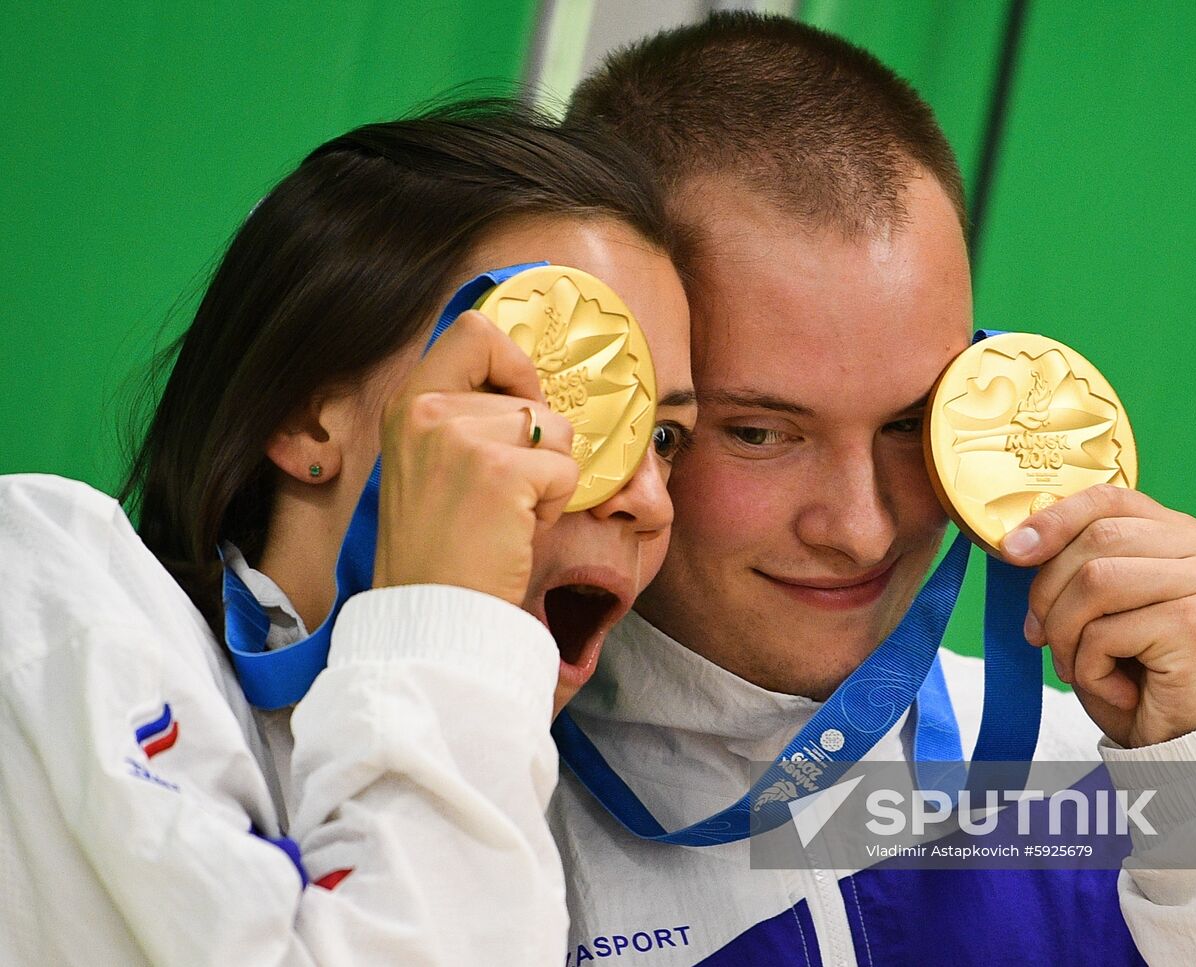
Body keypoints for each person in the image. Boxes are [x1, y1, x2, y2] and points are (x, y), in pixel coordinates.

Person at [549, 14, 1196, 965]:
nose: (864, 529)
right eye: (760, 432)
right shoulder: (464, 809)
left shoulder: (1120, 773)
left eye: (913, 423)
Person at [0, 98, 695, 964]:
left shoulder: (576, 813)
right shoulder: (45, 599)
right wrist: (445, 621)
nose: (648, 495)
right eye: (558, 408)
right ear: (307, 415)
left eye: (664, 436)